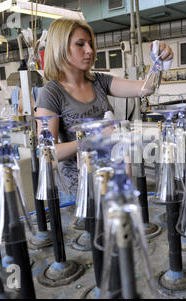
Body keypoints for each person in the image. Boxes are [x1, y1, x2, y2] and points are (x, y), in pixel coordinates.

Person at [35, 18, 173, 195]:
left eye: (91, 44)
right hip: (80, 189)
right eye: (80, 44)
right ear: (61, 48)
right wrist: (94, 139)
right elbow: (46, 152)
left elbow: (145, 88)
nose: (89, 51)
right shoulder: (52, 93)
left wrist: (158, 63)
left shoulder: (98, 81)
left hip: (111, 179)